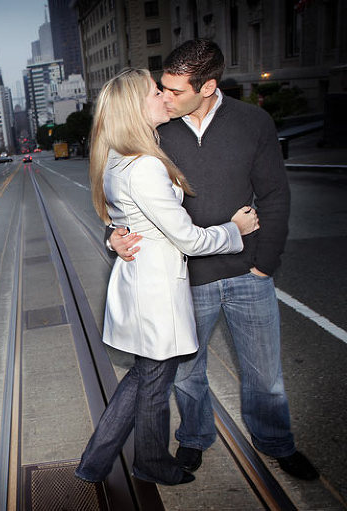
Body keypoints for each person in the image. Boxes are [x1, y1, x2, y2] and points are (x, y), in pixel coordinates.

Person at [109, 39, 319, 481]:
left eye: (174, 91)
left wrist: (266, 262)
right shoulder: (156, 130)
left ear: (207, 87)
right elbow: (120, 195)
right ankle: (194, 439)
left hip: (248, 273)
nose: (164, 98)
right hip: (186, 277)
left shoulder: (252, 122)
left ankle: (276, 443)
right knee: (187, 375)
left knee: (265, 376)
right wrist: (113, 235)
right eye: (160, 89)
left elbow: (275, 195)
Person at [74, 68, 259, 486]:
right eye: (155, 91)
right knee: (154, 384)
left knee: (145, 377)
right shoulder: (142, 166)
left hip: (142, 282)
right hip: (155, 289)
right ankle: (150, 463)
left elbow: (129, 219)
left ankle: (94, 465)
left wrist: (113, 236)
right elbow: (189, 239)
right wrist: (236, 231)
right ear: (135, 107)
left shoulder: (125, 158)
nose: (163, 95)